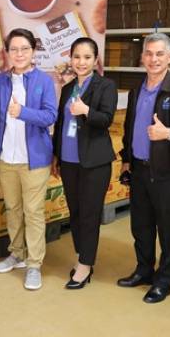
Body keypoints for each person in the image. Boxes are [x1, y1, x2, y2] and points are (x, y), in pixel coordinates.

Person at [117, 32, 170, 303]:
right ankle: (144, 270)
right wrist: (126, 159)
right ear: (142, 57)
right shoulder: (136, 91)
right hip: (139, 169)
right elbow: (129, 129)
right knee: (141, 225)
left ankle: (164, 280)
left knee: (167, 228)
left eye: (159, 54)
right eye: (149, 54)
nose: (154, 59)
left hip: (165, 173)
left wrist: (168, 133)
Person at [0, 28, 58, 290]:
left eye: (24, 49)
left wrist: (23, 112)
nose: (19, 54)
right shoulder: (0, 81)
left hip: (35, 159)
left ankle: (34, 264)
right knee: (13, 209)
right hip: (5, 159)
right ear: (7, 53)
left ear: (33, 51)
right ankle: (17, 253)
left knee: (33, 212)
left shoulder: (44, 80)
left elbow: (50, 116)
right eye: (14, 49)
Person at [52, 37, 117, 290]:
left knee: (89, 214)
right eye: (77, 57)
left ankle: (85, 265)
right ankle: (82, 256)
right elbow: (60, 124)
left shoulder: (105, 86)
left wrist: (86, 111)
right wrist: (56, 156)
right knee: (76, 212)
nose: (81, 62)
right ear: (70, 59)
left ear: (95, 60)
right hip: (69, 160)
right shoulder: (69, 87)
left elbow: (106, 119)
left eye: (87, 57)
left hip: (94, 162)